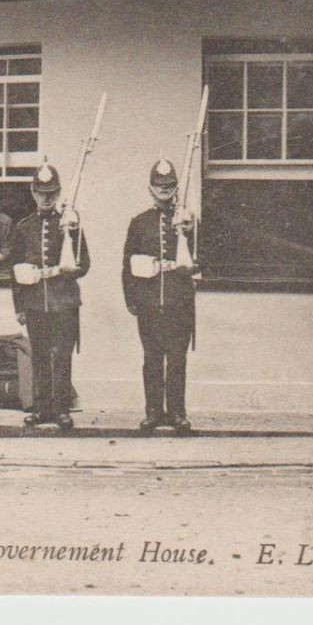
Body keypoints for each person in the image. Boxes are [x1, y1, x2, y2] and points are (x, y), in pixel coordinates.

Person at [6, 162, 90, 430]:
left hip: (63, 300)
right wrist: (19, 306)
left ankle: (62, 408)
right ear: (33, 192)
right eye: (42, 192)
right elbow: (15, 269)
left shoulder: (69, 224)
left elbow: (84, 264)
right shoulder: (23, 227)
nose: (46, 198)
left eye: (52, 193)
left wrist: (72, 238)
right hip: (34, 301)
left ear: (59, 193)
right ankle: (41, 408)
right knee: (40, 355)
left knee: (62, 355)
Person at [121, 158, 199, 434]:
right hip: (149, 300)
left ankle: (177, 413)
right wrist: (131, 298)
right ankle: (154, 412)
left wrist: (188, 233)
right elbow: (128, 263)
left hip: (179, 300)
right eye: (159, 186)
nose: (164, 190)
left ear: (177, 187)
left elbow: (202, 259)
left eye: (169, 186)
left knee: (177, 359)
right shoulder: (140, 222)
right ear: (150, 189)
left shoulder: (189, 221)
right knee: (152, 358)